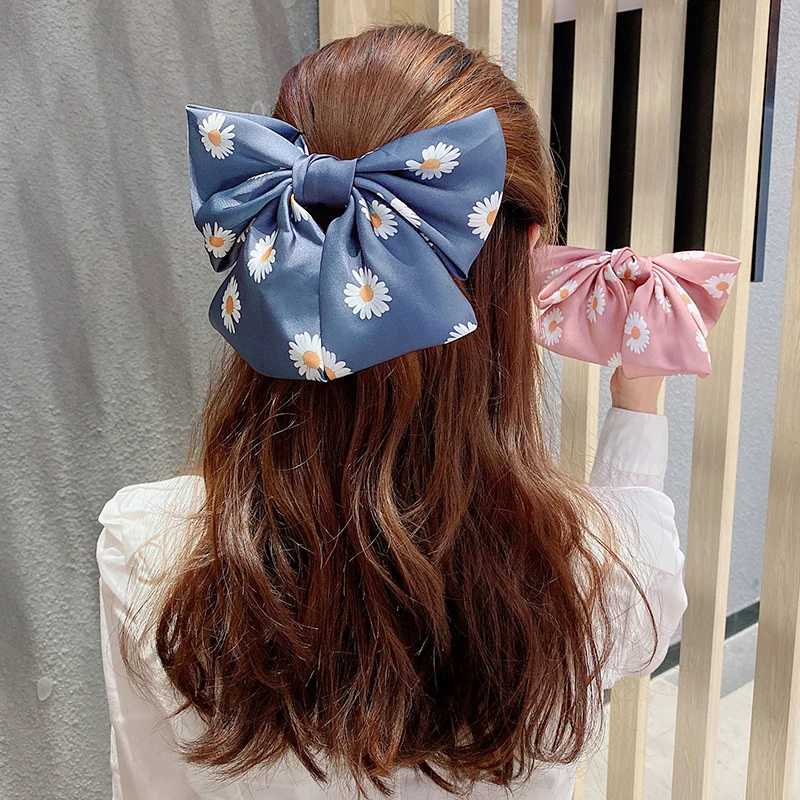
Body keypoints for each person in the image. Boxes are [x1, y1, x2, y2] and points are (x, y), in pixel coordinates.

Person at [96, 24, 687, 800]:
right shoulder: (597, 570)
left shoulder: (145, 549)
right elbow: (648, 595)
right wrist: (638, 394)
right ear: (528, 254)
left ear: (265, 233)